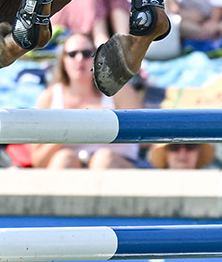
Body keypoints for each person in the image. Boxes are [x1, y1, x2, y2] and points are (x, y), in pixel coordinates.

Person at [26, 31, 141, 170]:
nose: (79, 59)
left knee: (103, 159)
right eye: (72, 54)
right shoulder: (49, 96)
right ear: (63, 59)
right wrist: (66, 132)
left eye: (86, 53)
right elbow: (38, 161)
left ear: (97, 58)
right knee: (64, 159)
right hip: (66, 168)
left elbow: (144, 138)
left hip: (116, 164)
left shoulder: (119, 91)